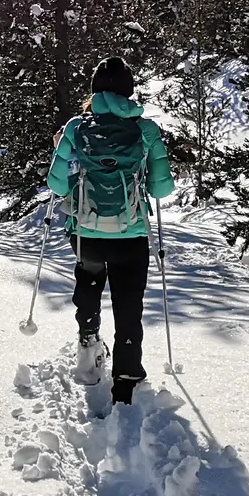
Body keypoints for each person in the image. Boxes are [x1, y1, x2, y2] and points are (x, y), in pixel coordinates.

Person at [44, 55, 173, 404]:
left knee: (88, 279)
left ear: (94, 91)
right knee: (128, 304)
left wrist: (63, 154)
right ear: (129, 92)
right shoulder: (146, 130)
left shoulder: (75, 127)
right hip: (130, 236)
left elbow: (57, 185)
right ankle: (127, 375)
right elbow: (161, 190)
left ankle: (88, 335)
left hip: (86, 232)